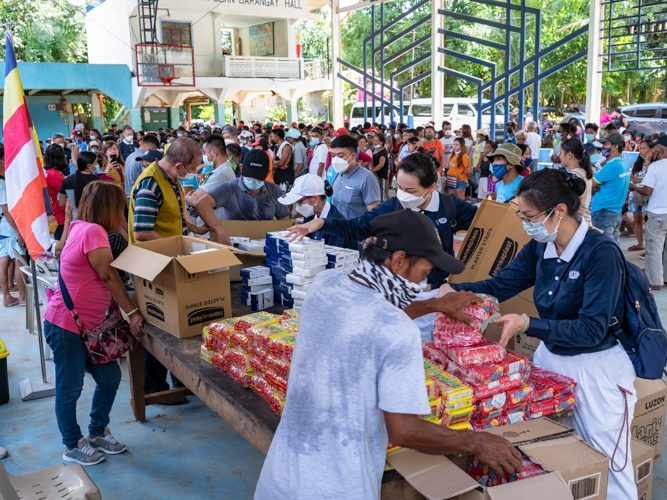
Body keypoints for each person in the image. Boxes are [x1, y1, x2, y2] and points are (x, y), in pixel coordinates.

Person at [256, 211, 522, 500]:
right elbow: (404, 431)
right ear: (397, 261)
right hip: (337, 488)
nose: (422, 283)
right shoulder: (397, 331)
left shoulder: (325, 284)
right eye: (423, 273)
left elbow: (370, 314)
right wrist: (476, 441)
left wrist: (437, 304)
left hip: (280, 477)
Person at [442, 168, 637, 500]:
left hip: (596, 370)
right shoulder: (540, 246)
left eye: (529, 215)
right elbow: (500, 284)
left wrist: (528, 324)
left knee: (610, 465)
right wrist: (450, 292)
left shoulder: (600, 252)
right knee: (558, 458)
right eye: (520, 214)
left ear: (559, 211)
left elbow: (592, 328)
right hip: (552, 365)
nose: (524, 222)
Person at [43, 181, 145, 466]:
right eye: (121, 210)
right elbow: (110, 277)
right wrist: (133, 312)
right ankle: (72, 444)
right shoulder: (93, 231)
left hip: (90, 328)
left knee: (110, 378)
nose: (123, 215)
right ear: (108, 209)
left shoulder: (79, 226)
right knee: (70, 388)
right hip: (66, 327)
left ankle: (97, 432)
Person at [289, 154, 478, 286]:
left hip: (439, 288)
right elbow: (357, 228)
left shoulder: (450, 206)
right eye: (400, 188)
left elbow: (487, 230)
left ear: (431, 187)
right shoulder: (393, 206)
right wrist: (322, 223)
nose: (403, 195)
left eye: (410, 191)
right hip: (400, 288)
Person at [129, 138, 208, 404]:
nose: (195, 172)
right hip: (153, 264)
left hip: (170, 260)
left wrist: (196, 233)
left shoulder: (171, 178)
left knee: (176, 324)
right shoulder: (150, 185)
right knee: (160, 325)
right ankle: (155, 388)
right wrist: (176, 247)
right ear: (178, 164)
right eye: (194, 167)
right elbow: (141, 232)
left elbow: (175, 218)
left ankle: (178, 379)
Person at [193, 149, 291, 246]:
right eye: (250, 176)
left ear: (269, 172)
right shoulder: (229, 188)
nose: (253, 181)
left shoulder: (274, 190)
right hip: (233, 244)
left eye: (257, 178)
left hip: (265, 246)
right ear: (241, 168)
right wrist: (219, 230)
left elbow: (284, 220)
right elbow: (202, 204)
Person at [278, 174, 358, 249]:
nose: (297, 207)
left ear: (315, 199)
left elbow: (332, 256)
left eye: (300, 202)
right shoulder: (311, 215)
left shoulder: (336, 224)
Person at [629, 136, 667, 290]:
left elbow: (647, 190)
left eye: (655, 149)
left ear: (662, 150)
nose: (652, 152)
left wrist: (634, 187)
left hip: (657, 214)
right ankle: (664, 278)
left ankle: (655, 282)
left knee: (654, 250)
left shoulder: (656, 167)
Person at [591, 133, 631, 244]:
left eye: (606, 144)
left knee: (603, 248)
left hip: (604, 213)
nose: (603, 147)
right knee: (613, 247)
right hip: (615, 212)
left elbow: (590, 184)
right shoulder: (624, 164)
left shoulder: (612, 165)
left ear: (615, 146)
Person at [185, 135, 235, 222]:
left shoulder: (222, 173)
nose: (203, 156)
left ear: (214, 152)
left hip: (211, 231)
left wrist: (186, 196)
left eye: (204, 152)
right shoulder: (218, 171)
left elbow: (196, 200)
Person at [329, 135, 381, 220]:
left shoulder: (367, 178)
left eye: (341, 156)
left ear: (353, 156)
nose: (335, 160)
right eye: (333, 156)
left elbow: (373, 214)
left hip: (355, 231)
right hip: (336, 229)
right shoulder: (338, 174)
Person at [0, 144, 26, 307]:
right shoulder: (2, 183)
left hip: (2, 227)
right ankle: (23, 297)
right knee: (20, 260)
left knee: (3, 261)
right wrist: (19, 232)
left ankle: (7, 296)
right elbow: (7, 210)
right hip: (9, 227)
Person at [559, 139, 594, 225]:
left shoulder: (574, 177)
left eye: (561, 153)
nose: (559, 156)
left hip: (578, 224)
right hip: (584, 221)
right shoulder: (582, 172)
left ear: (569, 154)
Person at [59, 151, 103, 219]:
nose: (98, 164)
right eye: (96, 162)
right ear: (89, 165)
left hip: (74, 221)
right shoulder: (99, 182)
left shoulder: (67, 181)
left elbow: (61, 203)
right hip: (94, 220)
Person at [626, 140, 651, 252]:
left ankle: (650, 247)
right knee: (637, 218)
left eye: (644, 148)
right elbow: (630, 179)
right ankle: (640, 244)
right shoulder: (636, 164)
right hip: (635, 194)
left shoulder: (653, 164)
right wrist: (642, 180)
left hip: (647, 194)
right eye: (640, 148)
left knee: (648, 219)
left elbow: (651, 180)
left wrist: (648, 162)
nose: (641, 150)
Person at [43, 144, 68, 240]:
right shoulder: (54, 174)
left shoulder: (50, 173)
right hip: (59, 219)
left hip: (57, 217)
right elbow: (68, 192)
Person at [124, 134, 160, 201]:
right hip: (138, 198)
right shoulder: (144, 160)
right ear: (151, 148)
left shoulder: (130, 156)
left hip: (129, 197)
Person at [272, 128, 294, 195]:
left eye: (272, 136)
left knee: (287, 199)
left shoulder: (286, 146)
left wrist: (276, 164)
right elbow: (273, 162)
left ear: (277, 138)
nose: (271, 138)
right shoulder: (276, 148)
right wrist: (279, 165)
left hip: (285, 177)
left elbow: (280, 163)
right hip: (277, 177)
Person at [371, 133, 389, 201]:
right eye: (374, 140)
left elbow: (381, 164)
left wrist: (371, 171)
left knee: (381, 193)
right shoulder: (374, 150)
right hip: (375, 175)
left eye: (377, 141)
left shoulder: (383, 152)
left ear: (381, 142)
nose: (374, 142)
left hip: (381, 176)